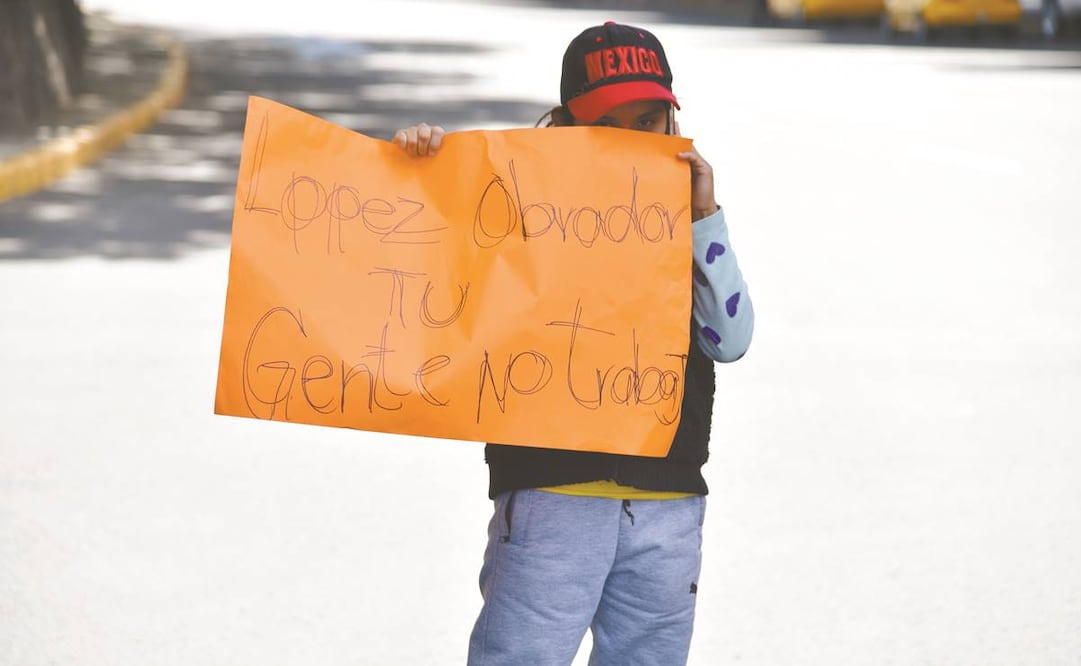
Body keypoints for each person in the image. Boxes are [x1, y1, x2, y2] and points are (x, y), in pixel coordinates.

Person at [393, 21, 754, 666]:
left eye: (648, 121)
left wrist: (706, 220)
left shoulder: (685, 217)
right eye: (608, 123)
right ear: (563, 125)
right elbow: (436, 285)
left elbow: (729, 340)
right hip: (550, 494)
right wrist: (421, 172)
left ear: (673, 121)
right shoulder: (516, 200)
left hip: (667, 501)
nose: (631, 140)